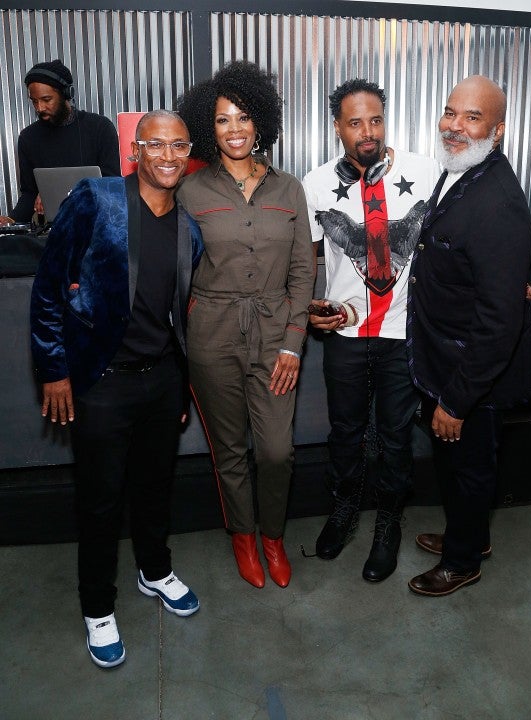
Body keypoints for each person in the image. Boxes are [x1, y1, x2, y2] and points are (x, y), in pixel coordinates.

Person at [30, 110, 203, 668]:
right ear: (136, 151)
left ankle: (154, 570)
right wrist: (54, 370)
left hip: (162, 379)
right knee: (101, 501)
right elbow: (48, 288)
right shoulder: (97, 199)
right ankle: (98, 606)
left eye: (179, 146)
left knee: (155, 487)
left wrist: (180, 388)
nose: (168, 156)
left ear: (189, 153)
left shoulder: (190, 229)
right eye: (156, 145)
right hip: (102, 383)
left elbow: (176, 318)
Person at [177, 61, 313, 589]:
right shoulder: (190, 191)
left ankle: (273, 536)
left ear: (261, 122)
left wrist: (294, 343)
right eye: (221, 119)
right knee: (229, 450)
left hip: (276, 333)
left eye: (243, 116)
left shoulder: (290, 189)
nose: (234, 129)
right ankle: (243, 536)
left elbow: (302, 271)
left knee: (276, 451)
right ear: (207, 127)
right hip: (211, 334)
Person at [302, 79, 439, 583]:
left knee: (396, 436)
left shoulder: (426, 172)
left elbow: (456, 239)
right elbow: (306, 262)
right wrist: (310, 308)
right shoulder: (316, 183)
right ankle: (343, 510)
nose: (368, 132)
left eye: (376, 120)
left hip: (404, 334)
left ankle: (388, 524)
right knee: (346, 432)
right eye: (355, 122)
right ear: (337, 128)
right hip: (346, 334)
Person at [407, 76, 531, 596]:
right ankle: (470, 535)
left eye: (472, 117)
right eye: (450, 112)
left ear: (497, 131)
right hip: (444, 360)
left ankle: (462, 562)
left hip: (471, 376)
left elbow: (499, 322)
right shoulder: (463, 170)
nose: (455, 126)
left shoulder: (498, 201)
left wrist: (457, 401)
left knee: (470, 468)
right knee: (456, 464)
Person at [0, 59, 120, 227]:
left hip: (97, 226)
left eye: (46, 99)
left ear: (66, 94)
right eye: (34, 101)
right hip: (55, 230)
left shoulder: (100, 128)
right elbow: (29, 193)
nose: (39, 108)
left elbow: (112, 185)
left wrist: (57, 193)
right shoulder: (28, 137)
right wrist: (11, 220)